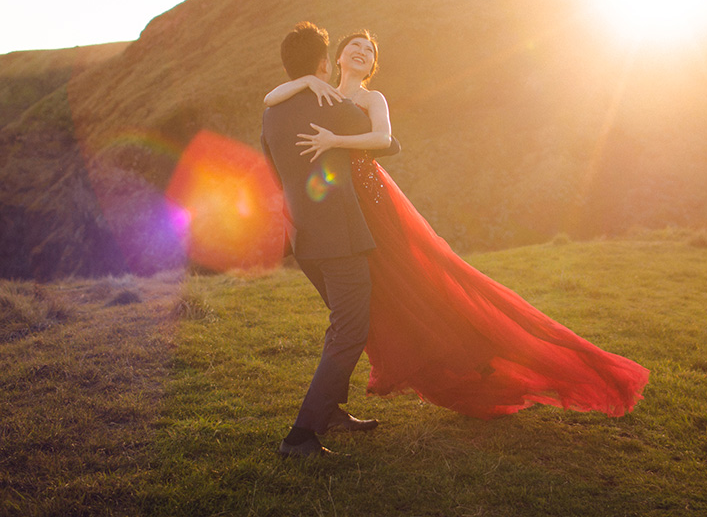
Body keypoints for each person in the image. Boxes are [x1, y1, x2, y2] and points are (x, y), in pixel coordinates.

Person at [265, 29, 650, 420]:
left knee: (419, 285)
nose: (362, 52)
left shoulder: (370, 98)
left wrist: (334, 141)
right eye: (355, 47)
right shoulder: (320, 93)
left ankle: (477, 357)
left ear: (372, 65)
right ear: (337, 58)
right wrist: (310, 80)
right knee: (377, 306)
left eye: (369, 50)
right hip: (342, 212)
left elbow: (384, 138)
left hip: (373, 205)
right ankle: (335, 405)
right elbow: (271, 98)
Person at [260, 22, 387, 459]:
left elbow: (276, 173)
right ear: (321, 63)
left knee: (341, 321)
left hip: (303, 238)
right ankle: (300, 436)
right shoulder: (331, 101)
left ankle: (331, 411)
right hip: (340, 236)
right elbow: (381, 137)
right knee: (350, 329)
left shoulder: (271, 112)